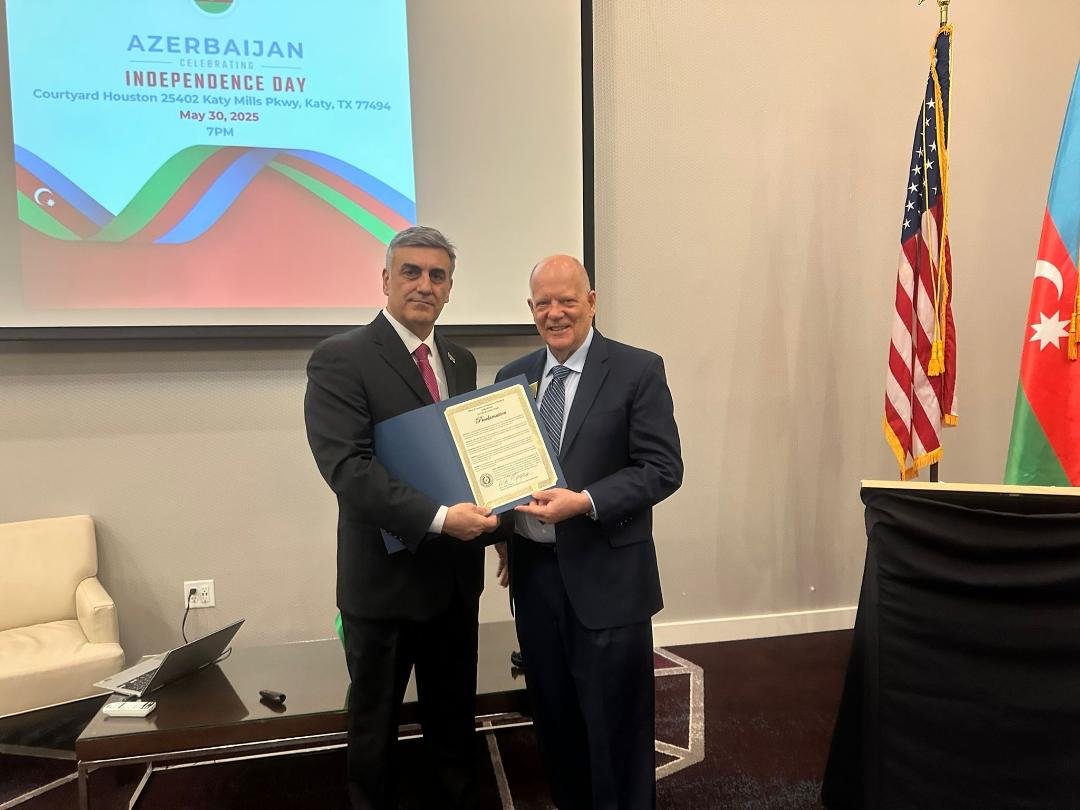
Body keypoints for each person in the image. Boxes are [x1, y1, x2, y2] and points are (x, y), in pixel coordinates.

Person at [304, 226, 498, 810]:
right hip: (383, 588)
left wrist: (503, 520)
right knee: (375, 731)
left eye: (438, 275)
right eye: (411, 272)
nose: (424, 285)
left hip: (454, 582)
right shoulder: (341, 358)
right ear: (386, 279)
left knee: (454, 722)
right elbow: (348, 470)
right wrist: (439, 518)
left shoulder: (460, 359)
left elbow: (464, 459)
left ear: (450, 288)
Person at [494, 254, 683, 809]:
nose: (555, 313)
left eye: (567, 300)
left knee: (616, 728)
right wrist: (504, 533)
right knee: (554, 720)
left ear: (592, 302)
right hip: (535, 580)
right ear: (530, 309)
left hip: (608, 577)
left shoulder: (637, 369)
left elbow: (662, 469)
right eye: (543, 303)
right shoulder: (512, 379)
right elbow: (504, 473)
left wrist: (585, 502)